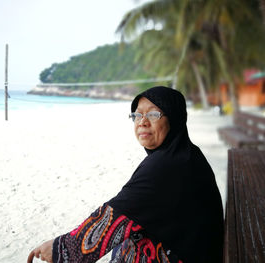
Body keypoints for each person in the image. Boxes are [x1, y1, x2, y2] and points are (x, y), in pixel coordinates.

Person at [27, 86, 224, 263]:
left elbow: (114, 217)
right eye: (137, 115)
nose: (142, 122)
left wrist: (58, 249)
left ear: (174, 119)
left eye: (153, 114)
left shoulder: (166, 165)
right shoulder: (184, 154)